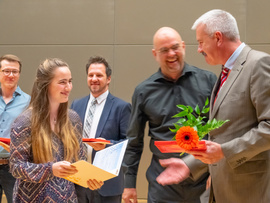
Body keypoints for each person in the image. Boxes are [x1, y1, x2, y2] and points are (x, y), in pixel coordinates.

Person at [156, 9, 270, 203]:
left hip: (249, 192)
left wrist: (225, 151)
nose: (199, 49)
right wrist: (189, 165)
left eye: (201, 42)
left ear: (218, 38)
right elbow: (221, 135)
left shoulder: (258, 64)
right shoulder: (226, 71)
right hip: (220, 190)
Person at [122, 27, 217, 203]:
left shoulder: (209, 82)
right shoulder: (143, 92)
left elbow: (220, 132)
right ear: (154, 54)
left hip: (203, 183)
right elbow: (134, 142)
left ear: (183, 46)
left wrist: (217, 171)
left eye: (175, 47)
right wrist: (129, 185)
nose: (171, 54)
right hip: (162, 186)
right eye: (164, 50)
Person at [9, 58, 103, 203]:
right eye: (62, 82)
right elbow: (16, 167)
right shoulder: (24, 121)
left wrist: (89, 177)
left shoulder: (73, 119)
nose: (68, 87)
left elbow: (79, 160)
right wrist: (50, 169)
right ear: (45, 85)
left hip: (67, 198)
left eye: (70, 81)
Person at [71, 56, 131, 203]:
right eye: (91, 75)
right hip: (79, 181)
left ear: (108, 78)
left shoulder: (121, 107)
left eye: (99, 75)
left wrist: (107, 145)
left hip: (106, 182)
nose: (94, 79)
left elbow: (129, 143)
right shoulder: (76, 105)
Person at [0, 54, 30, 203]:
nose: (11, 75)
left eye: (15, 71)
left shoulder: (29, 102)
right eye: (6, 71)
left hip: (13, 167)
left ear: (19, 74)